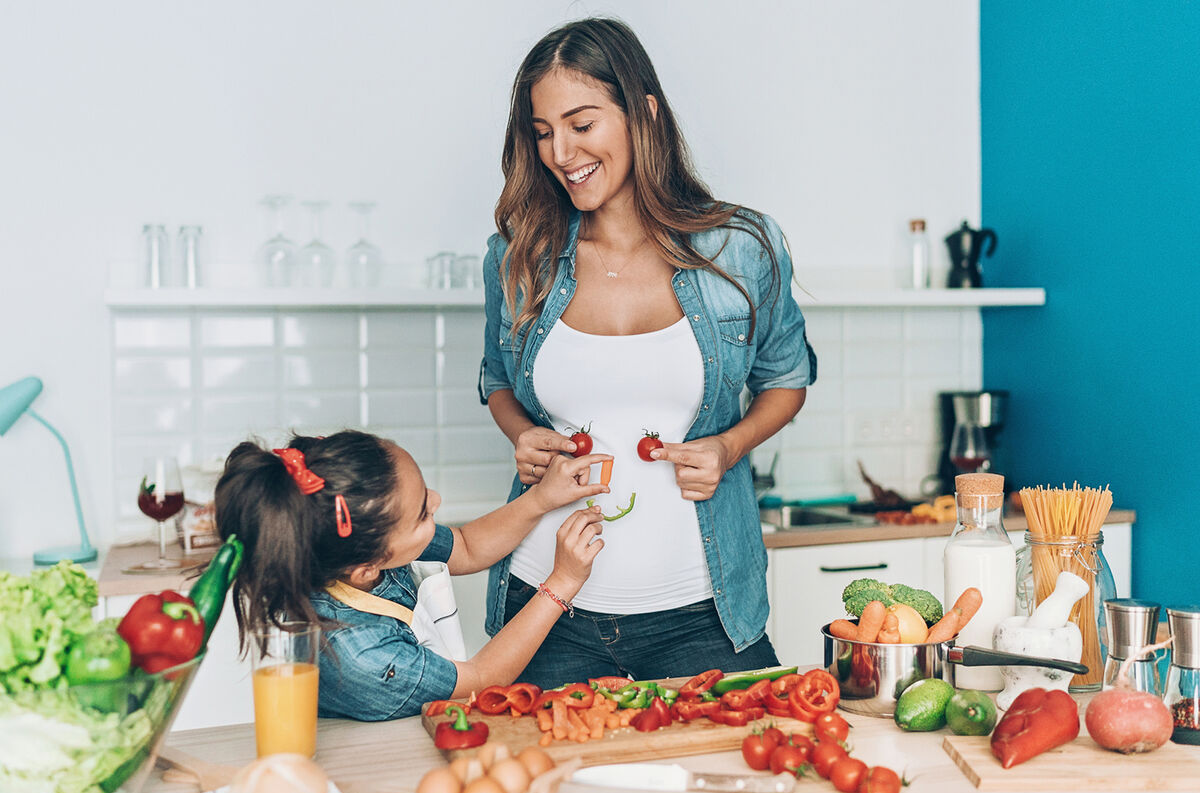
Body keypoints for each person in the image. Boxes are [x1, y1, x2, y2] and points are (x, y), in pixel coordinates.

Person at [478, 17, 818, 687]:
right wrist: (523, 434)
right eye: (542, 132)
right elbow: (498, 379)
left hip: (703, 614)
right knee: (541, 791)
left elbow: (787, 379)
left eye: (581, 124)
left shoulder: (741, 247)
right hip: (545, 608)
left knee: (753, 782)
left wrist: (729, 446)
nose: (559, 152)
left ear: (644, 114)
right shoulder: (519, 256)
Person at [213, 430, 610, 720]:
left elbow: (467, 545)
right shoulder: (360, 654)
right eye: (424, 512)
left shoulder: (364, 541)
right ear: (367, 567)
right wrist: (563, 582)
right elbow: (481, 678)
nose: (436, 501)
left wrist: (541, 498)